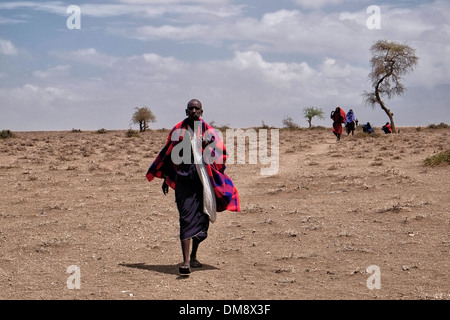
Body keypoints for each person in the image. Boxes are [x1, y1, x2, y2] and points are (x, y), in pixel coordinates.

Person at [146, 99, 240, 275]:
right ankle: (186, 262)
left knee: (202, 220)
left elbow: (221, 156)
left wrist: (207, 149)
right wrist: (166, 178)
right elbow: (168, 155)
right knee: (185, 219)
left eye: (197, 109)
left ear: (202, 112)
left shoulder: (210, 132)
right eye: (191, 108)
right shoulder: (178, 131)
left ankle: (194, 254)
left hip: (203, 182)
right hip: (184, 182)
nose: (194, 111)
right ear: (186, 111)